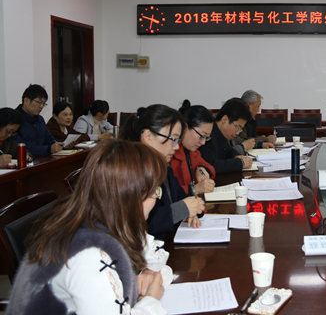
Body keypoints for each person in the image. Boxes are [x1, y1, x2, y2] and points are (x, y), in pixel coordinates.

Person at [7, 139, 172, 314]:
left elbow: (156, 262)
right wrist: (152, 300)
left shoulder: (104, 219)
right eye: (154, 192)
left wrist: (147, 274)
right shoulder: (86, 254)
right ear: (130, 196)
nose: (156, 199)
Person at [122, 104, 204, 239]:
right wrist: (182, 209)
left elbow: (185, 199)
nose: (176, 147)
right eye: (173, 139)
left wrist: (192, 210)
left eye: (178, 140)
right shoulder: (129, 172)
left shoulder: (163, 167)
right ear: (148, 136)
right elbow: (138, 225)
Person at [170, 100, 216, 195]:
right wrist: (194, 190)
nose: (203, 142)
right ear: (185, 127)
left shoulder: (191, 151)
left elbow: (209, 167)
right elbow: (168, 194)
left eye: (206, 138)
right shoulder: (169, 153)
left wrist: (202, 168)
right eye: (201, 136)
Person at [200, 98, 253, 174]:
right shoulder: (208, 134)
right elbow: (210, 165)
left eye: (240, 129)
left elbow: (228, 151)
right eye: (237, 127)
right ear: (224, 120)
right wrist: (240, 163)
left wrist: (237, 156)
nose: (238, 133)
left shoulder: (222, 134)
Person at [13, 84, 63, 157]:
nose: (41, 106)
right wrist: (48, 149)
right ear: (26, 100)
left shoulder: (40, 119)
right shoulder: (14, 119)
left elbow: (50, 140)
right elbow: (21, 148)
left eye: (44, 103)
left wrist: (62, 144)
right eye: (39, 102)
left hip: (43, 160)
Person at [233, 90, 276, 155]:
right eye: (258, 106)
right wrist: (264, 140)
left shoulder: (250, 120)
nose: (258, 110)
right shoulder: (237, 118)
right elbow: (242, 139)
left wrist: (261, 141)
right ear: (249, 104)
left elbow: (250, 138)